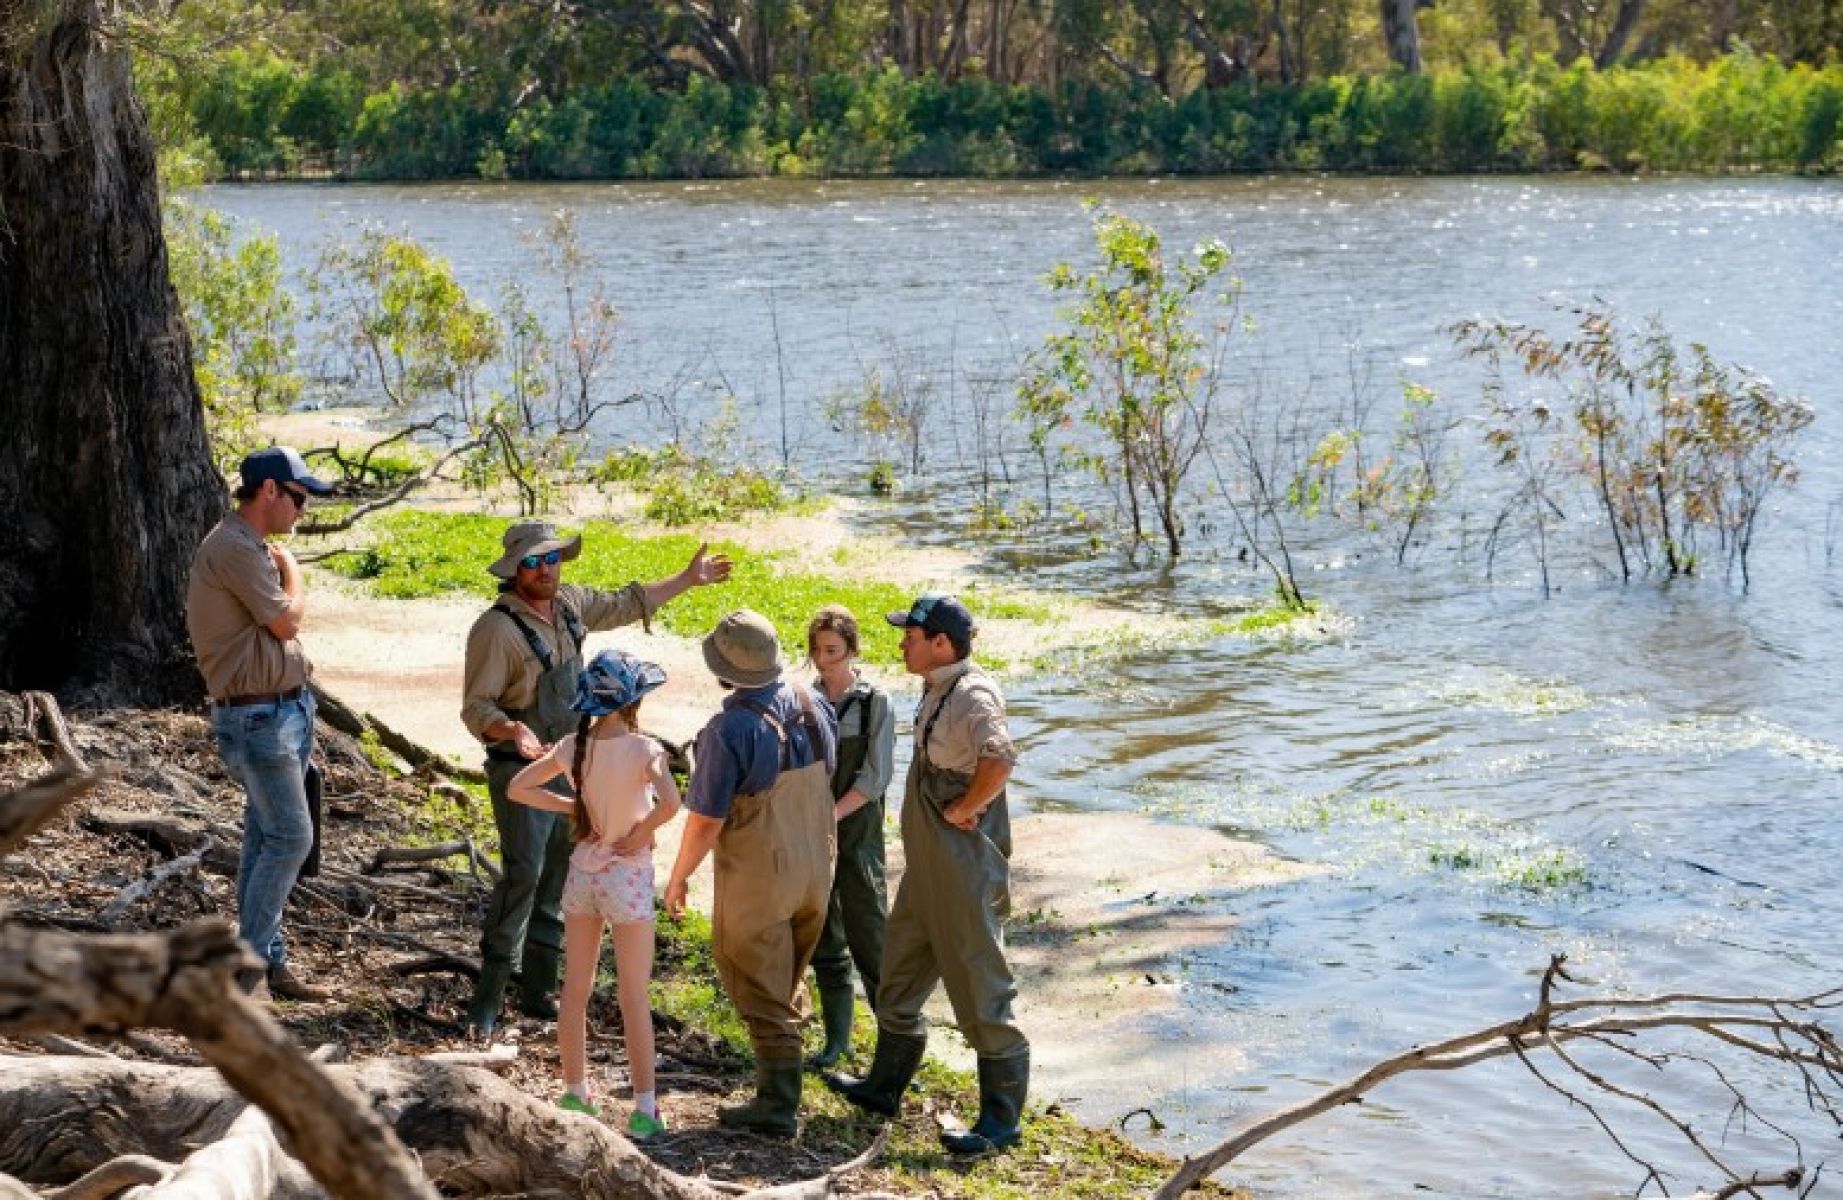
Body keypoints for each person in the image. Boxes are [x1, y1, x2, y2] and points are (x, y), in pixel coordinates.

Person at [461, 519, 730, 1034]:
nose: (546, 569)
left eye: (553, 558)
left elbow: (628, 601)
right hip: (522, 770)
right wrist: (511, 730)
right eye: (535, 561)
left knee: (560, 880)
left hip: (575, 763)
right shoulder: (495, 629)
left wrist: (687, 579)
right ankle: (488, 1000)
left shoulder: (570, 604)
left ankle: (539, 991)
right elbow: (475, 707)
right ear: (515, 568)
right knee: (522, 878)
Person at [824, 593, 1028, 1154]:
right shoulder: (939, 687)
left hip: (962, 867)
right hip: (928, 867)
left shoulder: (973, 693)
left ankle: (1000, 1123)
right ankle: (882, 1088)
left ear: (941, 643)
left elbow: (1001, 757)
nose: (900, 644)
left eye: (910, 637)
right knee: (901, 969)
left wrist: (965, 809)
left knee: (980, 981)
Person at [664, 610, 837, 1137]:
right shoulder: (814, 702)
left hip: (762, 868)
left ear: (724, 672)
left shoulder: (728, 729)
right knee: (788, 972)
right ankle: (784, 1086)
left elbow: (706, 819)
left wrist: (678, 877)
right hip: (818, 859)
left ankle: (778, 1104)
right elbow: (831, 770)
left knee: (755, 974)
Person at [507, 649, 680, 1139]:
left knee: (574, 991)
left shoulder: (571, 745)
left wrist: (572, 806)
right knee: (633, 995)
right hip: (626, 877)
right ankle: (645, 1108)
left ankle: (576, 1092)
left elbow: (519, 788)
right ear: (633, 701)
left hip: (584, 874)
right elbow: (671, 803)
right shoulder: (644, 750)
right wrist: (640, 830)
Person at [186, 445, 335, 1003]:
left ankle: (266, 961)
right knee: (292, 837)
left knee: (263, 838)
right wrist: (294, 573)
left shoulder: (248, 546)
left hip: (284, 711)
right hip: (258, 719)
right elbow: (284, 621)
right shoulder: (233, 546)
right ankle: (248, 970)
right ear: (269, 490)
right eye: (298, 497)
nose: (302, 510)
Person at [803, 605, 895, 1069]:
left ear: (853, 650)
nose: (823, 660)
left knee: (872, 939)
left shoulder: (875, 701)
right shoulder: (804, 698)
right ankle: (836, 1041)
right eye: (817, 651)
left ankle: (894, 1051)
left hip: (857, 836)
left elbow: (877, 776)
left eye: (833, 651)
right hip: (815, 835)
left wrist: (832, 816)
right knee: (824, 938)